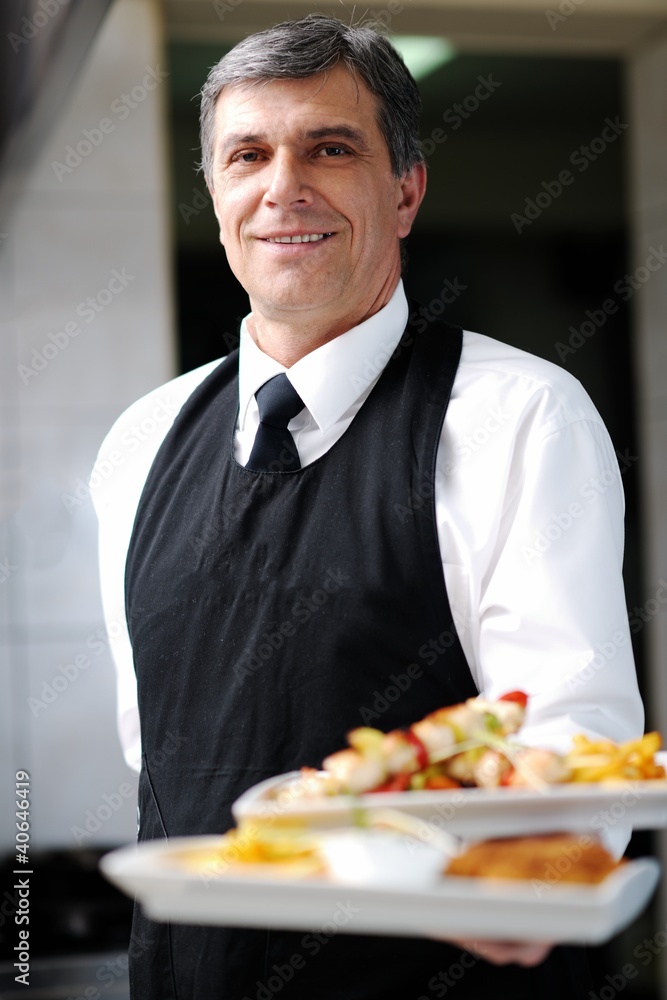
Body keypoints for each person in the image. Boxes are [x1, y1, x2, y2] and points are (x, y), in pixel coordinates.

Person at [92, 13, 644, 999]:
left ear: (406, 190)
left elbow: (576, 737)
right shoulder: (141, 438)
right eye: (247, 154)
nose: (282, 188)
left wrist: (531, 883)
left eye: (330, 148)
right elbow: (160, 752)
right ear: (215, 194)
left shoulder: (517, 415)